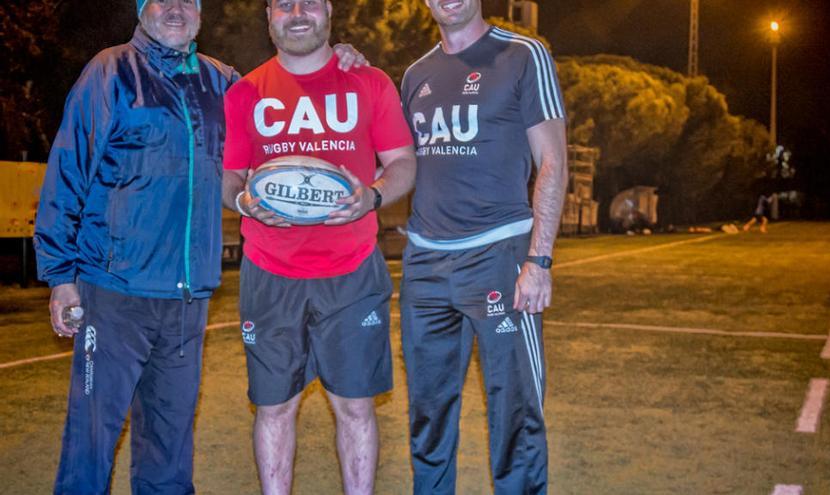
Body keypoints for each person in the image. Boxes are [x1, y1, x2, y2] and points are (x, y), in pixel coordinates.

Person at [34, 1, 366, 492]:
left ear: (200, 13)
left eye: (188, 0)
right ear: (142, 9)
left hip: (188, 297)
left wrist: (329, 57)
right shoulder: (110, 71)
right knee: (91, 440)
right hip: (113, 290)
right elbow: (68, 169)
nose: (176, 9)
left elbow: (288, 97)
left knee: (169, 446)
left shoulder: (222, 82)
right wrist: (61, 276)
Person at [220, 1, 416, 494]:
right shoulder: (245, 92)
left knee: (354, 406)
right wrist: (244, 202)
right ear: (269, 15)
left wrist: (371, 195)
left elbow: (404, 163)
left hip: (350, 271)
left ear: (328, 10)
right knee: (274, 407)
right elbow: (229, 179)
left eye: (310, 1)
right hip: (269, 271)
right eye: (285, 4)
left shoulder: (370, 82)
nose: (298, 12)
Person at [398, 0, 568, 493]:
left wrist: (538, 260)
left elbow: (553, 162)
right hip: (426, 264)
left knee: (515, 416)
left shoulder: (523, 55)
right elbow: (398, 157)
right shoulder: (415, 74)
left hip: (500, 257)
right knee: (427, 416)